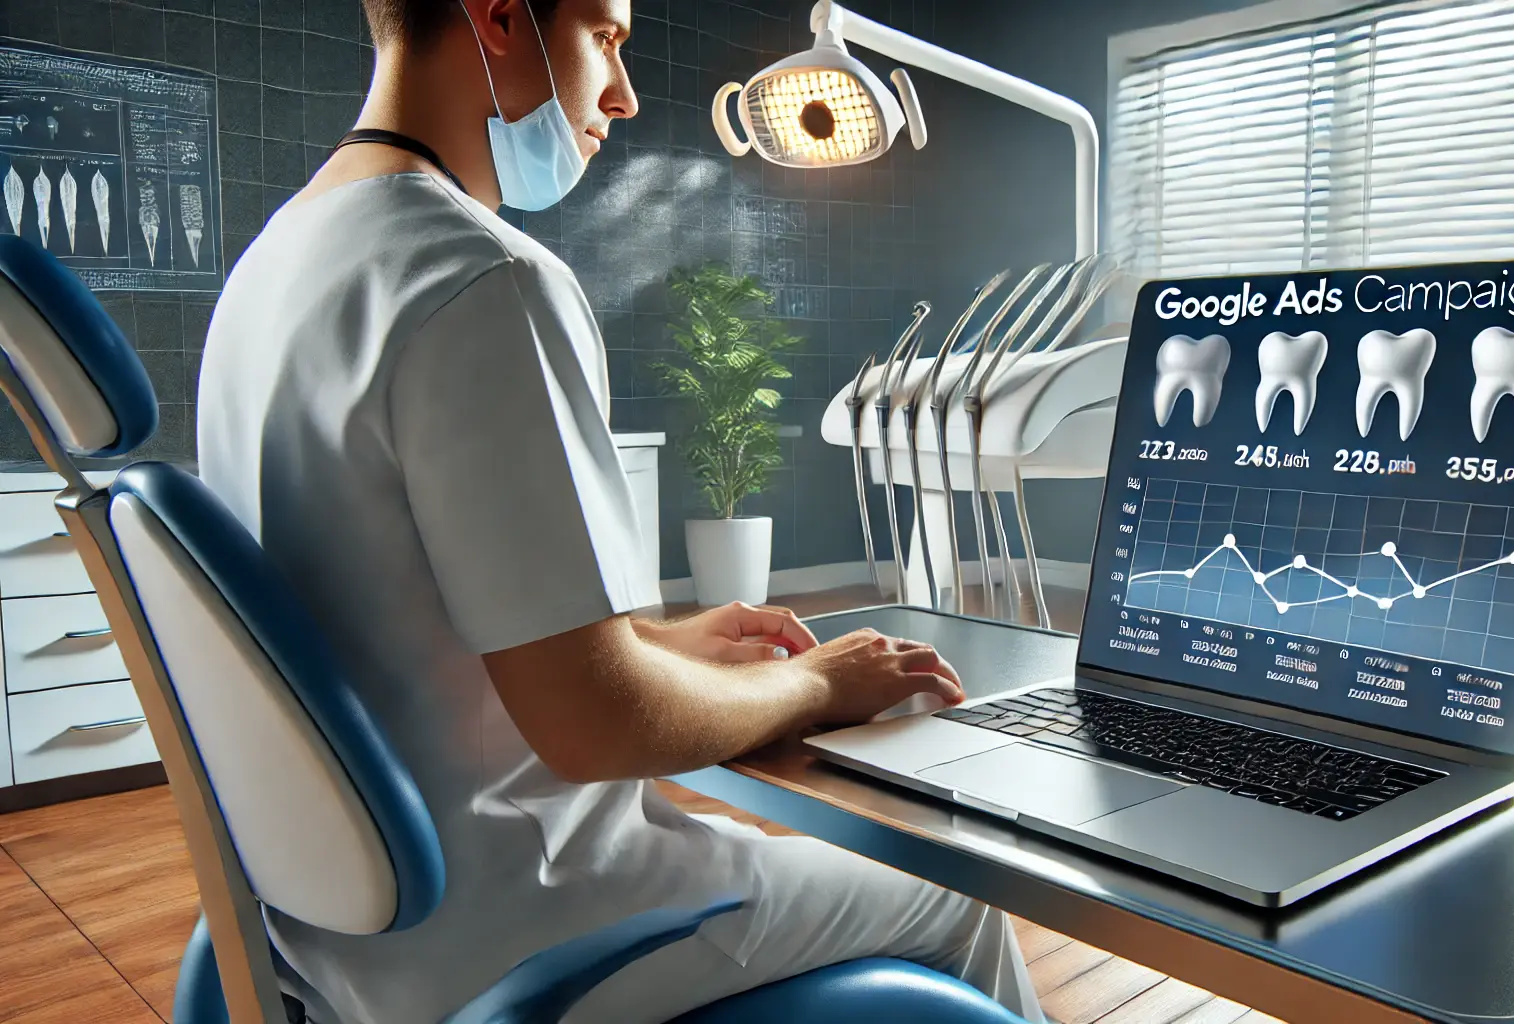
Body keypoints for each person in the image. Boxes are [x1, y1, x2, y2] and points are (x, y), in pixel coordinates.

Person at [194, 0, 1046, 1021]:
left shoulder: (275, 265)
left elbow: (396, 613)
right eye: (606, 35)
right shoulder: (481, 276)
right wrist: (818, 683)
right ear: (499, 17)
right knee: (961, 903)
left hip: (345, 938)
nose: (624, 93)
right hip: (523, 929)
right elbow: (596, 726)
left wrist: (655, 643)